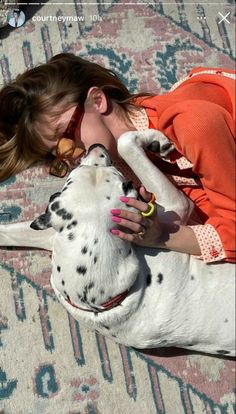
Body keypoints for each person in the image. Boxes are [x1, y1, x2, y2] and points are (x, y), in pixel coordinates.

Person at [0, 53, 235, 263]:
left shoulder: (193, 125)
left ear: (97, 101)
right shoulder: (120, 166)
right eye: (55, 156)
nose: (69, 158)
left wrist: (162, 235)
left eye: (64, 139)